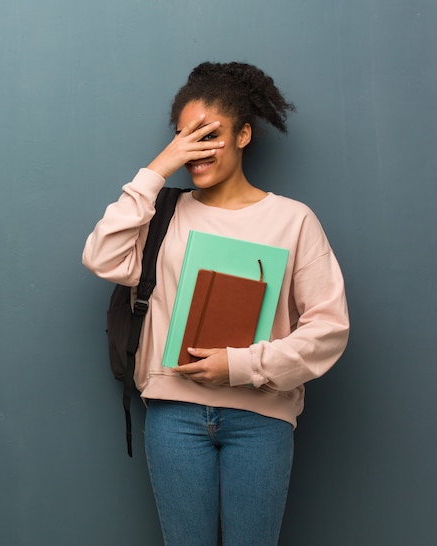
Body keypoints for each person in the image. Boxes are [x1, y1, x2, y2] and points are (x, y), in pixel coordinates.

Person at [82, 61, 349, 546]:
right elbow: (101, 257)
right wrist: (158, 169)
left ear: (244, 134)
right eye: (184, 137)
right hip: (173, 415)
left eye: (209, 134)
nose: (195, 150)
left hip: (261, 417)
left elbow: (328, 329)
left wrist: (243, 364)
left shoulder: (293, 220)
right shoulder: (163, 214)